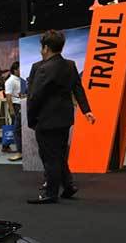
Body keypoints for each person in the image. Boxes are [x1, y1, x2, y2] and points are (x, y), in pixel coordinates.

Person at [26, 30, 96, 204]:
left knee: (50, 157)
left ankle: (50, 193)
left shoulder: (43, 68)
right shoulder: (70, 65)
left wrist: (31, 119)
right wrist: (86, 110)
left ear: (46, 48)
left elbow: (35, 97)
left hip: (46, 119)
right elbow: (78, 88)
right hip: (64, 118)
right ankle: (68, 186)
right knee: (59, 154)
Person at [4, 62, 23, 161]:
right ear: (15, 70)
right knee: (16, 130)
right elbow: (8, 96)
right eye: (20, 68)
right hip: (16, 106)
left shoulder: (20, 79)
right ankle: (19, 152)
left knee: (17, 129)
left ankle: (7, 146)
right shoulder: (10, 81)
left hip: (21, 105)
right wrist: (11, 110)